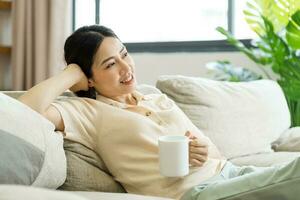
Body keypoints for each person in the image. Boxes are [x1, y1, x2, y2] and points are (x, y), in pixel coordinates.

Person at [18, 25, 300, 200]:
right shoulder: (84, 111)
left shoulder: (155, 98)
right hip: (196, 194)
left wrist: (200, 149)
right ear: (88, 77)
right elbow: (24, 111)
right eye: (110, 64)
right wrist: (71, 73)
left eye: (125, 54)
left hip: (232, 173)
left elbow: (215, 154)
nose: (126, 69)